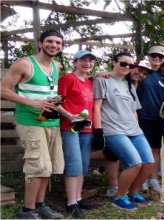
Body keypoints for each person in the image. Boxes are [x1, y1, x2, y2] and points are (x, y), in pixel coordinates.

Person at [1, 30, 65, 219]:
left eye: (58, 43)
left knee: (48, 166)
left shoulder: (56, 66)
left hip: (51, 121)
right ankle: (27, 211)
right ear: (40, 43)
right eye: (50, 41)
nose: (54, 45)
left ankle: (40, 205)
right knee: (37, 164)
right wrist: (32, 103)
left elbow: (50, 94)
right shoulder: (25, 64)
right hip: (29, 122)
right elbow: (3, 90)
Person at [93, 52, 155, 211]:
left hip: (134, 130)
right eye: (123, 64)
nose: (127, 67)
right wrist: (99, 131)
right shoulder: (102, 80)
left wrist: (137, 128)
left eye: (130, 65)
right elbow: (97, 107)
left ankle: (134, 193)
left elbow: (134, 110)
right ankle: (120, 197)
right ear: (114, 62)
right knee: (135, 164)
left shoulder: (130, 84)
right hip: (113, 129)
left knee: (149, 163)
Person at [57, 50, 96, 218]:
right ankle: (70, 203)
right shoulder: (67, 79)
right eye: (83, 60)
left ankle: (78, 198)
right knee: (73, 165)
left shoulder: (89, 81)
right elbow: (56, 102)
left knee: (83, 165)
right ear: (74, 62)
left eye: (90, 61)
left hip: (86, 129)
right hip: (70, 128)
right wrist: (70, 117)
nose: (87, 63)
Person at [137, 45, 164, 193]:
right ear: (149, 57)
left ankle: (154, 178)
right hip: (142, 116)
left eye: (160, 56)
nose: (156, 59)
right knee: (143, 148)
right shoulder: (141, 72)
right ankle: (143, 178)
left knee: (156, 150)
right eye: (153, 56)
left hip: (160, 118)